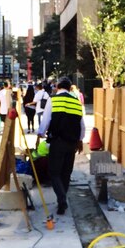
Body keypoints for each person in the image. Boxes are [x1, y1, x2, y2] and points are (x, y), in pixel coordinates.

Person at [37, 77, 85, 215]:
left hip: (57, 141)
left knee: (54, 172)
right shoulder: (76, 102)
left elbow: (46, 119)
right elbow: (81, 125)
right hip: (72, 143)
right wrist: (80, 141)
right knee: (66, 172)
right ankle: (61, 201)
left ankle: (62, 199)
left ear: (57, 87)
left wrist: (40, 133)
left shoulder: (53, 100)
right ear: (70, 88)